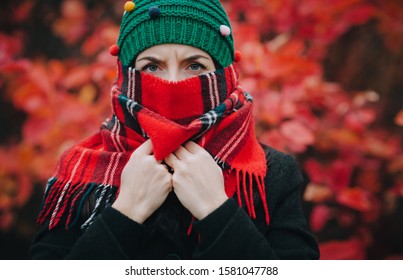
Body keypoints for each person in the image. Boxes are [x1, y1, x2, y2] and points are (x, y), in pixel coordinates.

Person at [30, 0, 320, 260]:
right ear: (126, 76)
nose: (172, 83)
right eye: (151, 67)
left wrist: (216, 210)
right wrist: (126, 211)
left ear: (225, 74)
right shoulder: (80, 175)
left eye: (194, 65)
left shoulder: (272, 175)